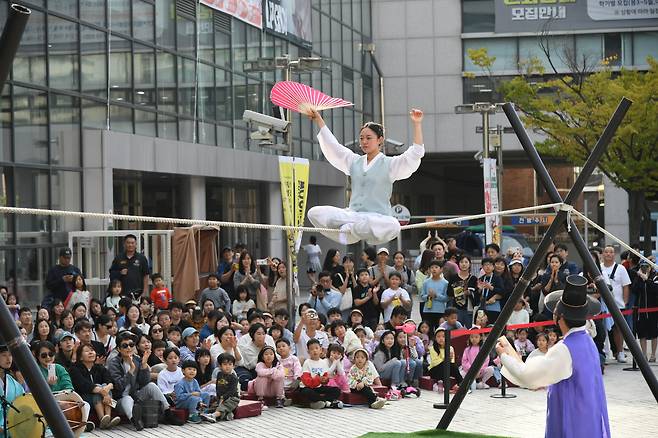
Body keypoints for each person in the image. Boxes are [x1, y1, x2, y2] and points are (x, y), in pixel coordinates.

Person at [497, 275, 609, 438]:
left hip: (572, 418)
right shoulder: (587, 340)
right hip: (588, 414)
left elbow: (528, 376)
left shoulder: (565, 348)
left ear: (559, 317)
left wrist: (503, 355)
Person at [306, 108, 425, 244]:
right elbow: (333, 147)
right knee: (314, 213)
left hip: (377, 219)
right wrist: (318, 120)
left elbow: (414, 154)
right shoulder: (354, 161)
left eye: (369, 138)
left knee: (393, 225)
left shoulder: (390, 164)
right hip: (353, 216)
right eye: (362, 138)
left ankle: (351, 229)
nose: (364, 142)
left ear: (380, 140)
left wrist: (417, 124)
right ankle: (348, 232)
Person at [107, 331, 179, 431]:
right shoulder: (114, 363)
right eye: (125, 345)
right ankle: (135, 420)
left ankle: (168, 412)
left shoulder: (137, 359)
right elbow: (119, 386)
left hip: (136, 396)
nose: (129, 348)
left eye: (131, 345)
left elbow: (144, 382)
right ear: (119, 349)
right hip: (119, 399)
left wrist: (144, 365)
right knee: (127, 399)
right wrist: (130, 371)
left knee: (151, 386)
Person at [33, 340, 94, 435]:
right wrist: (47, 384)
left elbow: (69, 387)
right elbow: (35, 391)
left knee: (85, 404)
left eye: (50, 354)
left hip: (63, 401)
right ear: (38, 357)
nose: (48, 357)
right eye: (44, 355)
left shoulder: (60, 368)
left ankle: (79, 425)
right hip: (45, 403)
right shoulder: (36, 370)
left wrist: (63, 395)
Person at [69, 343, 121, 430]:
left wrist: (106, 390)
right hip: (84, 398)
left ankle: (106, 418)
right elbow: (83, 385)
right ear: (80, 357)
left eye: (92, 351)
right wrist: (102, 391)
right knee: (99, 388)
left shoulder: (100, 367)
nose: (91, 353)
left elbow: (111, 382)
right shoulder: (75, 369)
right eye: (87, 351)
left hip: (104, 399)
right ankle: (103, 419)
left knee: (104, 386)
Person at [600, 245, 632, 362]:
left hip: (618, 304)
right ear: (603, 254)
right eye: (606, 252)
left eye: (611, 252)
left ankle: (620, 352)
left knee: (618, 329)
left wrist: (625, 301)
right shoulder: (599, 268)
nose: (608, 254)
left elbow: (626, 286)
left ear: (614, 254)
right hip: (603, 305)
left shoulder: (620, 269)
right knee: (603, 329)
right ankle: (606, 353)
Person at [299, 339, 343, 409]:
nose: (315, 351)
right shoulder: (307, 362)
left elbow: (325, 378)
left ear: (321, 350)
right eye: (312, 349)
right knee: (306, 392)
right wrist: (318, 379)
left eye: (316, 348)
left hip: (318, 387)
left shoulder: (323, 362)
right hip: (308, 387)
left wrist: (325, 380)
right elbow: (306, 381)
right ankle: (328, 403)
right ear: (308, 352)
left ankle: (319, 402)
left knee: (336, 390)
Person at [109, 234, 150, 300]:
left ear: (136, 244)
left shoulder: (142, 258)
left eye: (132, 243)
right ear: (124, 244)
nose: (130, 245)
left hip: (138, 293)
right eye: (128, 243)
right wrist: (120, 273)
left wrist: (144, 292)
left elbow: (146, 275)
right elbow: (111, 274)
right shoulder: (119, 258)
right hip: (122, 293)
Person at [633, 259, 658, 361]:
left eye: (647, 266)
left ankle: (653, 354)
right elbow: (634, 290)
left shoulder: (655, 277)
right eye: (643, 266)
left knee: (654, 333)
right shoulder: (638, 278)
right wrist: (639, 278)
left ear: (651, 267)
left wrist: (647, 279)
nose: (645, 268)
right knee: (641, 333)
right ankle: (644, 354)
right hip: (641, 309)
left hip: (653, 309)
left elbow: (655, 289)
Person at [0, 345, 25, 438]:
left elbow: (22, 403)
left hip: (11, 431)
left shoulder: (13, 382)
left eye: (10, 355)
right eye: (4, 355)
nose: (8, 358)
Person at [427, 328, 462, 392]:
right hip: (435, 370)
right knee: (444, 365)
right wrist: (446, 358)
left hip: (446, 368)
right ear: (435, 338)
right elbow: (435, 362)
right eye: (438, 336)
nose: (441, 338)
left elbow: (452, 362)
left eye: (443, 336)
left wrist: (449, 359)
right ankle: (446, 388)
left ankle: (461, 384)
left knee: (454, 366)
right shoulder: (432, 348)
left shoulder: (450, 348)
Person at [421, 260, 449, 330]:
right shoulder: (426, 282)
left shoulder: (445, 283)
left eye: (436, 267)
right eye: (432, 267)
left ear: (441, 269)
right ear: (429, 270)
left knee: (440, 329)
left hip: (440, 311)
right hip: (427, 310)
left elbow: (446, 298)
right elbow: (422, 296)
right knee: (428, 330)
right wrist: (428, 296)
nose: (434, 269)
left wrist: (436, 296)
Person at [214, 353, 240, 421]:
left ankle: (214, 415)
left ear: (233, 366)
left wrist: (223, 397)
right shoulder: (219, 374)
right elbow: (217, 386)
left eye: (230, 364)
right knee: (214, 406)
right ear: (220, 366)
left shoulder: (234, 378)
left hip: (232, 398)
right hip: (221, 397)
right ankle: (227, 415)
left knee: (225, 406)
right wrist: (219, 397)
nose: (227, 366)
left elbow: (232, 391)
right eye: (225, 364)